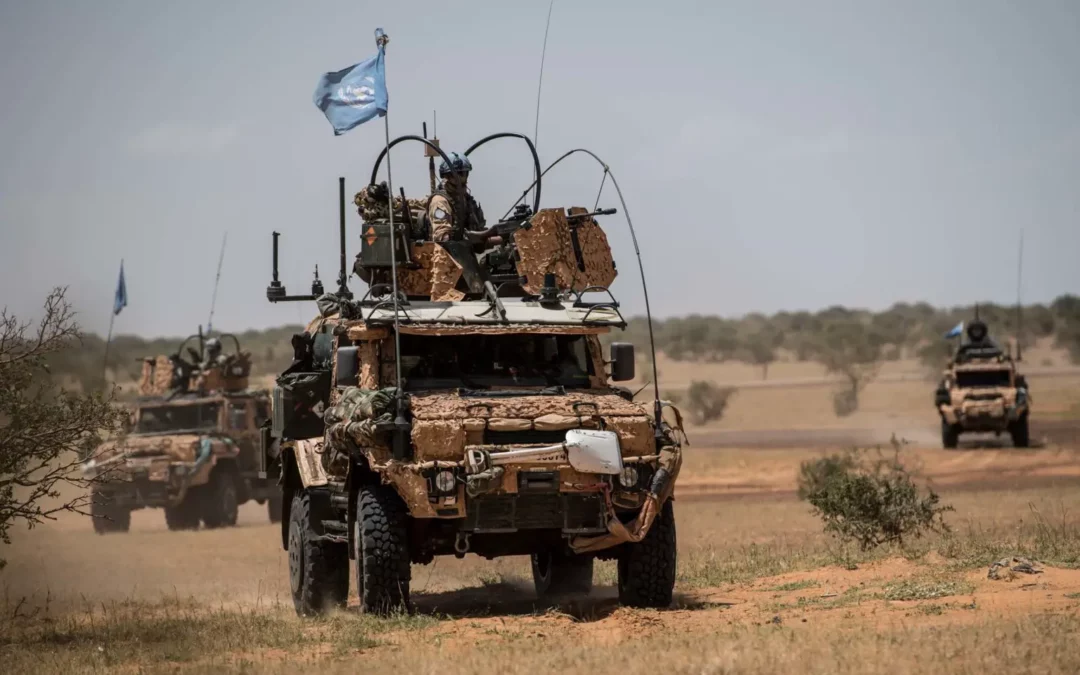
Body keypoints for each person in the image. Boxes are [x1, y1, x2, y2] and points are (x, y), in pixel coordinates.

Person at [427, 152, 486, 242]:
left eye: (463, 173)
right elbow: (442, 237)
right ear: (447, 176)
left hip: (465, 253)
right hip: (445, 254)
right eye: (456, 173)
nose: (460, 177)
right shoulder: (440, 201)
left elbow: (479, 232)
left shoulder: (466, 199)